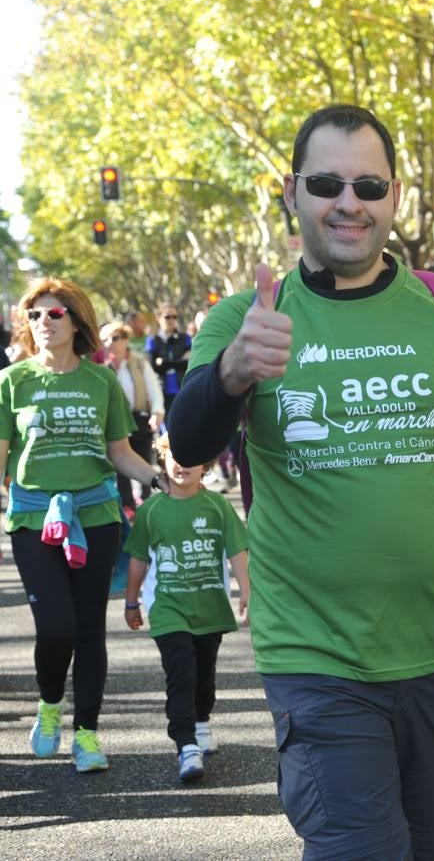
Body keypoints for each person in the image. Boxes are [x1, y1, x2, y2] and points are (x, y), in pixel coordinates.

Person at [167, 103, 434, 859]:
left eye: (369, 185)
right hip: (318, 657)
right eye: (326, 182)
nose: (348, 202)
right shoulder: (247, 317)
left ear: (396, 198)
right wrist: (233, 371)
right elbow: (187, 442)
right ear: (292, 195)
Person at [0, 278, 165, 773]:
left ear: (76, 322)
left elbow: (119, 453)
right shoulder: (12, 382)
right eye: (34, 315)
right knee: (56, 626)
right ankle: (50, 704)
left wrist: (159, 479)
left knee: (90, 629)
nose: (43, 323)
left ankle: (87, 735)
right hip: (34, 518)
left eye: (54, 314)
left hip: (96, 514)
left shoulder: (100, 383)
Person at [124, 433, 249, 782]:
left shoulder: (217, 506)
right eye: (175, 456)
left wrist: (246, 591)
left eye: (193, 458)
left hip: (209, 608)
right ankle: (186, 745)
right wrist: (132, 602)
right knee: (180, 675)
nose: (183, 464)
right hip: (168, 609)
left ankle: (201, 720)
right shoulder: (152, 510)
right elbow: (137, 560)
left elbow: (237, 549)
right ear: (163, 460)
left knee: (204, 677)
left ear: (206, 466)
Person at [101, 322, 164, 508]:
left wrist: (157, 412)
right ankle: (127, 505)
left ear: (126, 340)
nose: (109, 343)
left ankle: (145, 502)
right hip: (115, 421)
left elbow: (154, 389)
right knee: (119, 464)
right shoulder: (103, 369)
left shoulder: (140, 363)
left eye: (114, 338)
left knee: (143, 459)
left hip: (140, 418)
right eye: (104, 339)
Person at [146, 302, 191, 412]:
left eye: (174, 317)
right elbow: (153, 367)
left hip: (184, 389)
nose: (171, 320)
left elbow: (189, 363)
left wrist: (164, 362)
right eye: (167, 317)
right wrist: (179, 361)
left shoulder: (185, 338)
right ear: (158, 318)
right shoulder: (152, 340)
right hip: (161, 393)